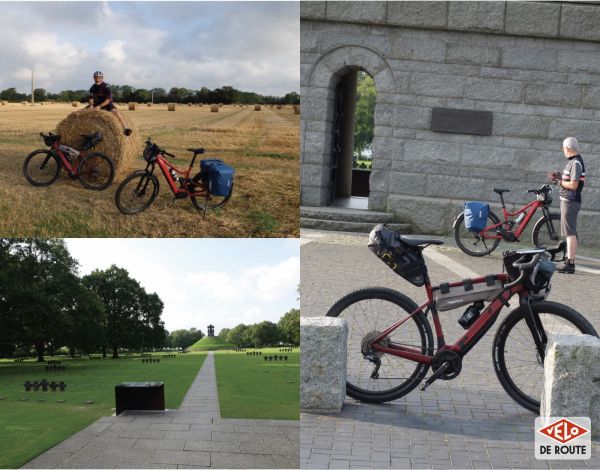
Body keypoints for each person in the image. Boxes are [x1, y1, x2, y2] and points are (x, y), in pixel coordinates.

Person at [553, 136, 586, 274]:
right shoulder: (574, 162)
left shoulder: (576, 163)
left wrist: (560, 182)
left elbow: (573, 185)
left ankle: (570, 263)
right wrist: (561, 177)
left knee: (570, 232)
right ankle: (569, 259)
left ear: (568, 149)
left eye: (564, 149)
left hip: (570, 201)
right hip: (569, 201)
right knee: (569, 231)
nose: (563, 152)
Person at [88, 71, 132, 136]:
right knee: (82, 112)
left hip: (107, 104)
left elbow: (108, 100)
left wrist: (99, 106)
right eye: (96, 78)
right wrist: (91, 105)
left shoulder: (106, 87)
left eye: (99, 78)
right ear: (94, 78)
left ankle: (125, 128)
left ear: (102, 78)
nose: (97, 80)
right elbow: (91, 98)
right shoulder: (92, 87)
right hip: (96, 103)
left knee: (116, 112)